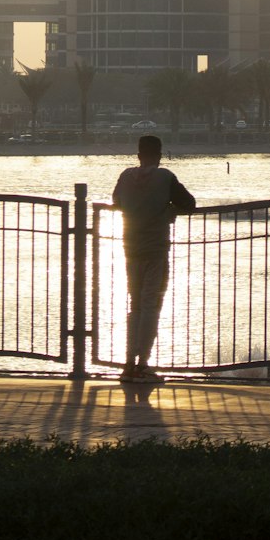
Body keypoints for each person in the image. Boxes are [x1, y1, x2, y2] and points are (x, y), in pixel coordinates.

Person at [112, 133, 196, 383]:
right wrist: (170, 210)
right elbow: (189, 203)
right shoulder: (165, 177)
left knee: (135, 305)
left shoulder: (125, 176)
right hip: (156, 250)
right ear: (159, 155)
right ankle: (143, 364)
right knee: (151, 306)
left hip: (130, 248)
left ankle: (128, 364)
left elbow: (116, 201)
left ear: (138, 155)